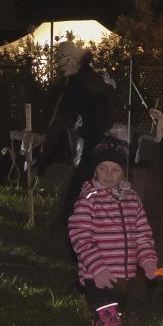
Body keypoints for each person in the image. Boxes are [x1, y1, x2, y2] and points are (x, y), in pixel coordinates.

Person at [67, 132, 157, 326]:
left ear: (123, 172)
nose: (108, 174)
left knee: (107, 318)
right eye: (103, 168)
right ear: (95, 170)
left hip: (123, 277)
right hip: (97, 276)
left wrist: (148, 260)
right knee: (111, 321)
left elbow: (143, 234)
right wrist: (97, 268)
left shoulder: (132, 200)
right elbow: (80, 236)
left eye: (115, 169)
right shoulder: (89, 200)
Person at [38, 39, 115, 232]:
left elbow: (61, 122)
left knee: (75, 201)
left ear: (73, 60)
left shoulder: (77, 86)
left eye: (62, 60)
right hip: (106, 147)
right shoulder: (91, 78)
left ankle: (82, 238)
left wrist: (42, 157)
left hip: (92, 148)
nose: (59, 65)